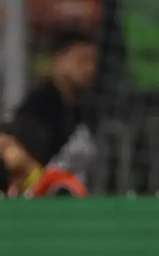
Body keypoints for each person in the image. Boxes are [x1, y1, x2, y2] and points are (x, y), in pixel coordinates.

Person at [0, 29, 98, 197]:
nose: (89, 69)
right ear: (58, 60)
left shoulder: (86, 109)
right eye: (81, 61)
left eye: (92, 62)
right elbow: (17, 162)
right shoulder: (38, 110)